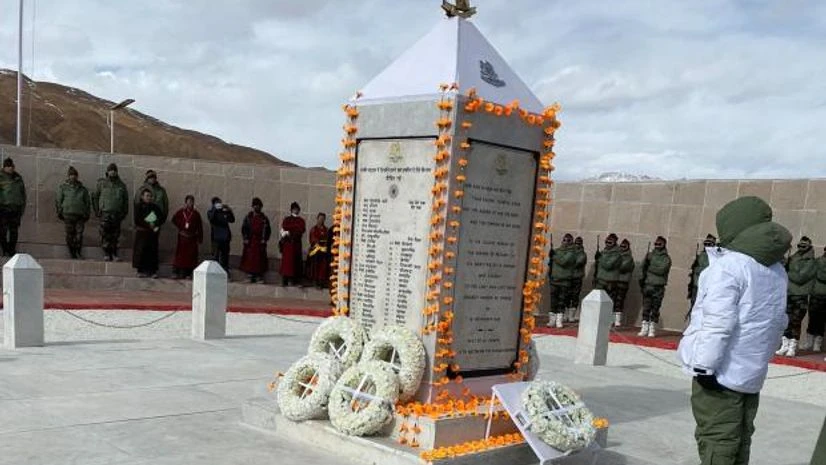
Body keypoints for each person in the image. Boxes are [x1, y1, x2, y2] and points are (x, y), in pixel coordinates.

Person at [677, 196, 791, 465]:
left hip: (720, 371)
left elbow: (718, 322)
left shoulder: (728, 267)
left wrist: (704, 367)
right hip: (751, 372)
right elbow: (777, 322)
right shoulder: (775, 270)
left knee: (718, 438)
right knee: (741, 437)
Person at [776, 236, 816, 357]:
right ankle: (785, 345)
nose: (801, 248)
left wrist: (788, 271)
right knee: (786, 320)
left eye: (804, 246)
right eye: (799, 245)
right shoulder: (793, 258)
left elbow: (800, 278)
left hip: (800, 295)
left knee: (796, 321)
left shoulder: (810, 262)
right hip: (789, 293)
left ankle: (793, 346)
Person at [91, 163, 129, 261]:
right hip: (105, 213)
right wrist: (97, 210)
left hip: (117, 213)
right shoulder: (102, 183)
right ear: (107, 172)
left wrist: (124, 212)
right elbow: (95, 197)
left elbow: (125, 200)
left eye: (114, 170)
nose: (113, 172)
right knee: (105, 234)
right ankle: (107, 253)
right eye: (111, 170)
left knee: (115, 235)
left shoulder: (121, 185)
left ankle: (115, 253)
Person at [639, 236, 672, 337]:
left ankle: (652, 328)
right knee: (646, 307)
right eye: (656, 244)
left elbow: (661, 270)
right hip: (648, 284)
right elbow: (642, 267)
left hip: (658, 286)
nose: (657, 246)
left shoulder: (666, 258)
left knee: (655, 308)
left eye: (659, 244)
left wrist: (650, 267)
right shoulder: (650, 255)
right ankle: (644, 326)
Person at [55, 166, 91, 259]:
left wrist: (87, 213)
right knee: (70, 235)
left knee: (79, 235)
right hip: (68, 214)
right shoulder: (63, 188)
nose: (73, 177)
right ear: (68, 176)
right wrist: (60, 211)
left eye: (74, 175)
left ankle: (78, 252)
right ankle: (72, 253)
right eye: (71, 175)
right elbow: (59, 200)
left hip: (80, 215)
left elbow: (87, 202)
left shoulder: (83, 189)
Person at [548, 233, 577, 328]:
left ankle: (558, 321)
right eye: (564, 240)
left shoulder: (572, 253)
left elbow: (563, 262)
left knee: (562, 301)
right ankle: (552, 320)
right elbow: (551, 264)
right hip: (555, 279)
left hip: (564, 281)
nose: (566, 242)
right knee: (553, 301)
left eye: (568, 240)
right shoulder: (556, 251)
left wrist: (554, 256)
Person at [132, 188, 163, 278]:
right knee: (141, 251)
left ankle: (152, 271)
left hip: (152, 234)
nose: (149, 198)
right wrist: (148, 224)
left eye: (150, 196)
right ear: (142, 196)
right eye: (147, 196)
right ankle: (140, 270)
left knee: (152, 252)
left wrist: (155, 223)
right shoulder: (138, 206)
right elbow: (137, 219)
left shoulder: (155, 207)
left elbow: (160, 218)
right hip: (142, 233)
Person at [240, 197, 272, 283]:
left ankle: (259, 276)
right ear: (253, 206)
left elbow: (268, 230)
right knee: (249, 259)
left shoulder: (264, 218)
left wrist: (264, 239)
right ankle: (250, 275)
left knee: (259, 259)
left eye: (258, 206)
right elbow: (244, 228)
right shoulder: (248, 217)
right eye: (255, 205)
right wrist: (245, 238)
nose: (257, 207)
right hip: (250, 241)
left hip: (259, 242)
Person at [171, 195, 203, 279]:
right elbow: (174, 219)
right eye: (188, 201)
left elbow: (199, 226)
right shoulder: (181, 212)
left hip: (192, 237)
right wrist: (180, 226)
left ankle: (188, 273)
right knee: (181, 255)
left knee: (190, 256)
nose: (190, 203)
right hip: (183, 237)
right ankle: (177, 272)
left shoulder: (196, 214)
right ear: (185, 202)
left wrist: (200, 238)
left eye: (191, 202)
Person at [594, 233, 622, 326]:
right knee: (599, 302)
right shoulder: (604, 251)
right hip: (601, 280)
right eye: (606, 241)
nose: (607, 243)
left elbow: (608, 265)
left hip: (610, 281)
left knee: (609, 302)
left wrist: (600, 258)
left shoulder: (617, 253)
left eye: (610, 242)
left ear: (614, 243)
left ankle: (608, 321)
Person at [0, 157, 26, 256]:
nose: (10, 168)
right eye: (8, 166)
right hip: (3, 209)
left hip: (16, 209)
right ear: (4, 167)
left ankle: (11, 250)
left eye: (12, 166)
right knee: (2, 231)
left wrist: (22, 207)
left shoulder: (18, 178)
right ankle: (5, 249)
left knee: (14, 232)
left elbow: (23, 193)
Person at [688, 234, 717, 317]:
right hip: (697, 285)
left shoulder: (715, 257)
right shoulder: (701, 255)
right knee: (694, 306)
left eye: (710, 244)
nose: (707, 246)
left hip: (708, 287)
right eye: (706, 244)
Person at [805, 246, 826, 356]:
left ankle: (817, 343)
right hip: (815, 293)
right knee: (813, 317)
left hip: (824, 295)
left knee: (821, 320)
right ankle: (809, 341)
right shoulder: (817, 261)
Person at [279, 201, 306, 286]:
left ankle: (295, 280)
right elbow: (284, 226)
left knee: (296, 262)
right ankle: (285, 279)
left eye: (297, 209)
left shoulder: (301, 220)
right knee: (287, 263)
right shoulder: (287, 219)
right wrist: (292, 229)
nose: (295, 210)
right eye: (294, 209)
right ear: (291, 210)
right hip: (288, 244)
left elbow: (301, 230)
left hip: (296, 244)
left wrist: (291, 230)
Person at [207, 197, 235, 272]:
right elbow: (211, 219)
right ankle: (214, 272)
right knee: (215, 256)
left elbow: (232, 220)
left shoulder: (224, 212)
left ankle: (225, 272)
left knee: (225, 257)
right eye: (217, 203)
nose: (219, 205)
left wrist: (229, 210)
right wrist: (214, 209)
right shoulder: (211, 212)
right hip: (216, 238)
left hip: (225, 238)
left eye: (220, 203)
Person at [306, 213, 331, 289]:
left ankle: (322, 281)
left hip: (324, 251)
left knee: (323, 266)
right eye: (320, 218)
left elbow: (328, 239)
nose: (321, 220)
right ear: (317, 218)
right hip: (316, 250)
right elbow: (312, 239)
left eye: (323, 218)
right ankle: (315, 281)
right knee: (315, 265)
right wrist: (318, 243)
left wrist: (325, 243)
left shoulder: (326, 229)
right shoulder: (313, 229)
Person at [566, 236, 587, 322]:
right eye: (576, 243)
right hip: (569, 276)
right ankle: (566, 313)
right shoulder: (570, 251)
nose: (577, 245)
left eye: (579, 243)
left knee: (575, 296)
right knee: (567, 295)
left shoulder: (582, 254)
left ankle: (572, 315)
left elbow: (578, 262)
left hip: (577, 277)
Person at [615, 239, 636, 327]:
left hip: (623, 282)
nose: (622, 248)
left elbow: (622, 267)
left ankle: (617, 320)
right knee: (613, 300)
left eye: (624, 246)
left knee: (619, 300)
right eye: (621, 246)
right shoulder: (617, 255)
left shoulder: (629, 258)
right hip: (615, 280)